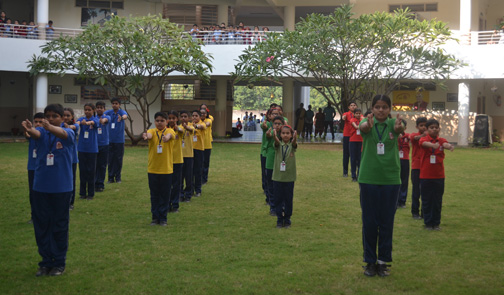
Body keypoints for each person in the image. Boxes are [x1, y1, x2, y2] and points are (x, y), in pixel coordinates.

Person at [21, 103, 75, 277]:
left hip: (61, 188)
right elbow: (36, 134)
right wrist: (30, 129)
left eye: (54, 116)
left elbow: (62, 133)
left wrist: (49, 126)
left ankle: (59, 263)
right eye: (48, 116)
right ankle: (45, 263)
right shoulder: (42, 132)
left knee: (59, 226)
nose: (50, 119)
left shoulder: (69, 132)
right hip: (41, 187)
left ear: (62, 118)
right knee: (42, 226)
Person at [358, 95, 405, 277]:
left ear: (389, 109)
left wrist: (400, 127)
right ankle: (369, 261)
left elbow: (401, 127)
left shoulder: (394, 123)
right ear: (372, 108)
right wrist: (367, 126)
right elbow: (363, 128)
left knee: (386, 222)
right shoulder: (366, 122)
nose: (380, 110)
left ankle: (382, 261)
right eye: (377, 107)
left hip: (390, 180)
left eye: (384, 107)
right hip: (368, 178)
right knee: (369, 221)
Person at [419, 119, 454, 230]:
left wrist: (449, 146)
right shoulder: (424, 139)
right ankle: (428, 223)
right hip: (426, 176)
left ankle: (436, 223)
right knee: (427, 200)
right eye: (431, 127)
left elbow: (445, 144)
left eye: (436, 127)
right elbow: (423, 143)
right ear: (427, 129)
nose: (434, 129)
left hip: (439, 176)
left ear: (439, 129)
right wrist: (432, 145)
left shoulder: (441, 140)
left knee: (437, 200)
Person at [142, 112, 175, 226]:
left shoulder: (170, 131)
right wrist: (146, 136)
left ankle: (163, 218)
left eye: (162, 120)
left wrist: (167, 137)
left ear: (166, 122)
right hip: (153, 169)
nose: (159, 123)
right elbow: (149, 136)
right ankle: (155, 217)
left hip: (166, 170)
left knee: (165, 195)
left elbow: (170, 136)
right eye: (157, 121)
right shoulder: (151, 131)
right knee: (154, 194)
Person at [272, 124, 297, 228]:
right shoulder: (278, 145)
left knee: (288, 198)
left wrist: (295, 138)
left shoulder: (292, 146)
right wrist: (275, 136)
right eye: (283, 133)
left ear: (291, 135)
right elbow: (277, 142)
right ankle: (279, 218)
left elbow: (294, 143)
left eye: (288, 133)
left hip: (289, 177)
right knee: (278, 198)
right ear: (280, 134)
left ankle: (287, 219)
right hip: (278, 177)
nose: (285, 135)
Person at [77, 103, 99, 200]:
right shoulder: (81, 119)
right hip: (81, 149)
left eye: (89, 110)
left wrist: (88, 123)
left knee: (91, 171)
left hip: (92, 150)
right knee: (82, 171)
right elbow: (77, 124)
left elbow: (94, 123)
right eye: (85, 110)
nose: (87, 112)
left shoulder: (95, 119)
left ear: (93, 110)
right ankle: (82, 193)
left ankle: (90, 193)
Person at [26, 112, 44, 224]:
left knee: (44, 193)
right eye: (36, 122)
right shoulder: (32, 134)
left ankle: (44, 216)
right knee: (33, 193)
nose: (38, 124)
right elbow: (28, 135)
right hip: (32, 168)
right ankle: (34, 216)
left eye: (40, 122)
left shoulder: (46, 135)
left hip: (44, 168)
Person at [265, 112, 284, 216]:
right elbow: (268, 135)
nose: (277, 125)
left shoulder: (285, 134)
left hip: (281, 162)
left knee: (281, 186)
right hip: (270, 162)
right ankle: (273, 207)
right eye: (275, 123)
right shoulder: (270, 132)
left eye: (279, 123)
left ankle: (282, 206)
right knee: (271, 186)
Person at [105, 98, 128, 183]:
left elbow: (125, 116)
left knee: (118, 159)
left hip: (119, 141)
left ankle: (118, 177)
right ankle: (110, 178)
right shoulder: (108, 113)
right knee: (110, 159)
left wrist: (121, 118)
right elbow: (103, 116)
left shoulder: (122, 112)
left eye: (116, 103)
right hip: (110, 140)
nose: (114, 105)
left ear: (119, 104)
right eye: (113, 103)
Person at [409, 117, 428, 219]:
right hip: (416, 167)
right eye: (421, 125)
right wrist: (422, 135)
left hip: (426, 167)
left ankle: (424, 212)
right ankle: (415, 212)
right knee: (416, 190)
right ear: (417, 127)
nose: (424, 127)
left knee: (425, 190)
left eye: (425, 125)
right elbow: (414, 139)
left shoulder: (430, 136)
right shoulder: (414, 135)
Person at [63, 108, 79, 209]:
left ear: (72, 116)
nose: (65, 117)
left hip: (72, 159)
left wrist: (67, 126)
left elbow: (73, 127)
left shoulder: (75, 126)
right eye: (63, 115)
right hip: (62, 159)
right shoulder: (58, 126)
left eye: (68, 115)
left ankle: (70, 202)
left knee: (71, 180)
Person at [167, 110, 183, 213]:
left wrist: (178, 128)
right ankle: (167, 204)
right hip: (167, 161)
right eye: (170, 118)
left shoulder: (179, 129)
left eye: (174, 118)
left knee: (176, 184)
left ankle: (175, 205)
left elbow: (182, 131)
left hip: (177, 160)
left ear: (177, 119)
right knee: (167, 184)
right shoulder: (166, 130)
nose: (172, 120)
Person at [179, 110, 195, 202]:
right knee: (180, 177)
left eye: (185, 116)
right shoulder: (178, 128)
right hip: (180, 156)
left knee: (188, 177)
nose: (184, 118)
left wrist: (186, 127)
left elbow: (191, 130)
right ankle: (180, 194)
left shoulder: (191, 126)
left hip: (189, 155)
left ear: (189, 118)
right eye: (182, 116)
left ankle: (188, 194)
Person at [94, 101, 110, 193]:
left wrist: (102, 120)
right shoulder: (93, 119)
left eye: (101, 107)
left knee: (102, 165)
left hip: (104, 145)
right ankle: (94, 183)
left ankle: (100, 184)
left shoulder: (107, 117)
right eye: (98, 107)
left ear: (104, 109)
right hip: (94, 145)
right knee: (95, 165)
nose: (99, 109)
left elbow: (106, 120)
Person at [192, 110, 206, 197]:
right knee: (190, 171)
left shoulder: (202, 124)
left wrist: (196, 126)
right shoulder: (189, 125)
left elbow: (201, 126)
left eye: (196, 116)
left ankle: (198, 190)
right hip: (190, 151)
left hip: (199, 150)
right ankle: (190, 189)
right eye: (193, 116)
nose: (194, 117)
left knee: (198, 170)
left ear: (199, 117)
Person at [397, 119, 410, 208]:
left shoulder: (408, 136)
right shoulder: (393, 135)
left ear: (405, 127)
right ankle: (395, 200)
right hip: (396, 160)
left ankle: (402, 201)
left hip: (405, 159)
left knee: (404, 181)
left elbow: (414, 137)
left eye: (402, 126)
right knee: (396, 180)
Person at [342, 101, 357, 176]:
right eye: (351, 105)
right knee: (346, 154)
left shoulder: (358, 115)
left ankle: (354, 171)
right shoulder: (346, 114)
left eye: (354, 105)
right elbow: (343, 117)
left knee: (354, 154)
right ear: (349, 107)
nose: (353, 107)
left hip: (355, 136)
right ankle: (345, 172)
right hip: (347, 136)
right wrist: (344, 117)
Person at [349, 108, 363, 182]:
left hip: (361, 141)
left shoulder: (362, 120)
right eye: (356, 113)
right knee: (353, 159)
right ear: (354, 114)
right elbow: (356, 127)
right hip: (353, 141)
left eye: (359, 113)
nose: (358, 115)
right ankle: (353, 175)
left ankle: (359, 175)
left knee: (360, 158)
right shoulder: (352, 120)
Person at [200, 108, 213, 185]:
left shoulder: (209, 120)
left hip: (207, 145)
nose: (202, 115)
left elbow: (206, 125)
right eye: (200, 113)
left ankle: (204, 178)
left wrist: (198, 125)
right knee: (199, 163)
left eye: (204, 113)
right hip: (198, 145)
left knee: (205, 163)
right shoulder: (197, 121)